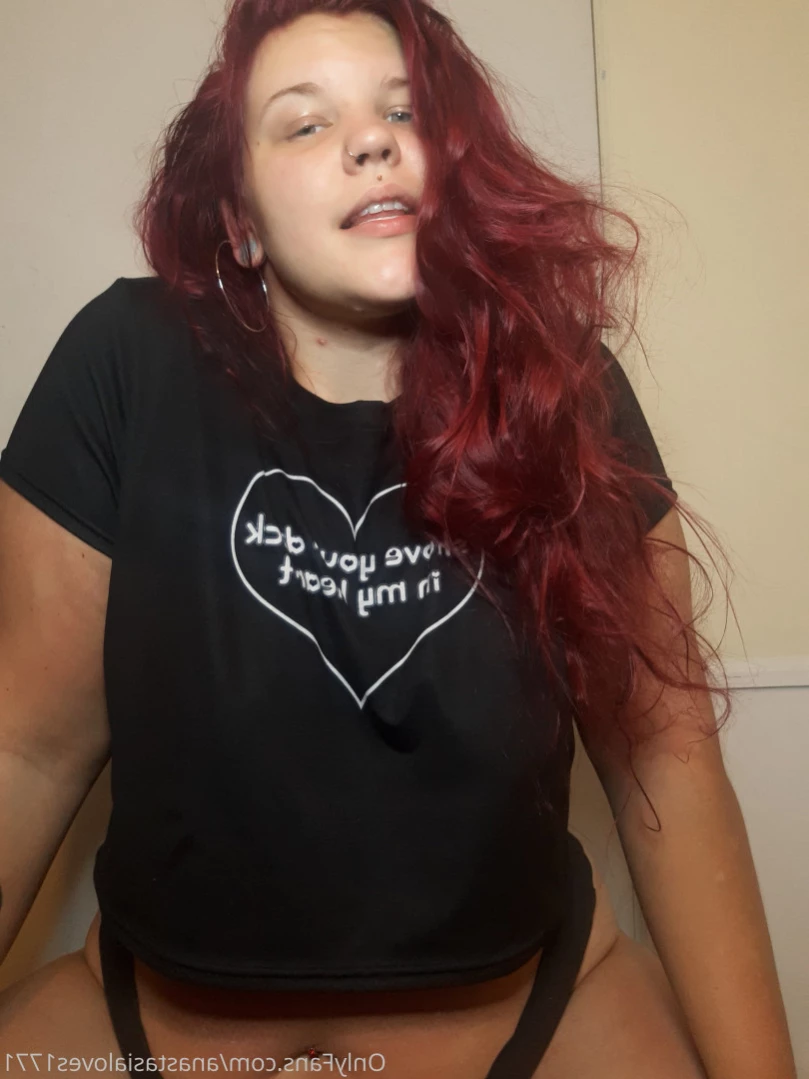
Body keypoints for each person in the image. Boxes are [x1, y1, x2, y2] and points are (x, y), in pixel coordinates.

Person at [0, 3, 797, 1078]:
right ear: (239, 217)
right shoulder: (123, 364)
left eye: (404, 112)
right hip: (156, 1034)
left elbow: (667, 753)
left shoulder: (560, 385)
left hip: (539, 1015)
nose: (370, 140)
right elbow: (26, 749)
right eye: (304, 123)